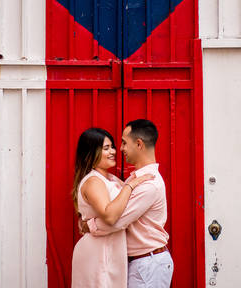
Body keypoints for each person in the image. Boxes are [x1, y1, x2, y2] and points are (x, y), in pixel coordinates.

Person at [82, 119, 174, 288]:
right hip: (143, 262)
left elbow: (117, 220)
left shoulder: (149, 184)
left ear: (139, 144)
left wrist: (90, 225)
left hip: (148, 264)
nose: (121, 149)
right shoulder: (136, 179)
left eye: (124, 143)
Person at [71, 127, 154, 288]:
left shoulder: (110, 178)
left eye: (113, 147)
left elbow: (127, 206)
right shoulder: (93, 181)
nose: (113, 152)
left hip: (110, 251)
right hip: (98, 253)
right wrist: (130, 185)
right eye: (106, 148)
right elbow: (110, 216)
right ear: (91, 152)